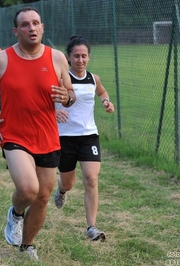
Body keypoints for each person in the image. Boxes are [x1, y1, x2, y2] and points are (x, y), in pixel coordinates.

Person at [0, 7, 75, 261]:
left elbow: (70, 93)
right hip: (14, 136)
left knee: (42, 197)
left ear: (42, 28)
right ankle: (16, 212)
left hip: (47, 136)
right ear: (16, 30)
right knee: (29, 190)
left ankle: (27, 245)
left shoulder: (57, 58)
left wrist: (68, 97)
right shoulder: (2, 59)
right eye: (25, 24)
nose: (31, 28)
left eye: (36, 23)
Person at [54, 36, 115, 242]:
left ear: (89, 57)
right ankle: (62, 191)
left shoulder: (93, 78)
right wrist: (53, 113)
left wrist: (106, 101)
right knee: (68, 183)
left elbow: (102, 90)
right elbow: (44, 99)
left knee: (91, 178)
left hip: (89, 136)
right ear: (68, 58)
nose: (80, 60)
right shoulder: (61, 79)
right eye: (76, 56)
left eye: (84, 56)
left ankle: (92, 227)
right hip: (65, 137)